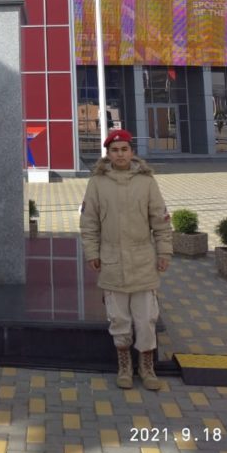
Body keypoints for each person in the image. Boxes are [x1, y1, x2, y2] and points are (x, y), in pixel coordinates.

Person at [80, 128, 172, 390]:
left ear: (132, 152)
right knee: (118, 319)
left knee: (146, 319)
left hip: (143, 262)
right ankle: (125, 367)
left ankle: (147, 368)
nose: (119, 154)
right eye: (114, 150)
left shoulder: (147, 182)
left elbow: (160, 220)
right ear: (107, 154)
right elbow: (89, 223)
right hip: (111, 262)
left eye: (124, 149)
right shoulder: (97, 183)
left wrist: (164, 251)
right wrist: (92, 253)